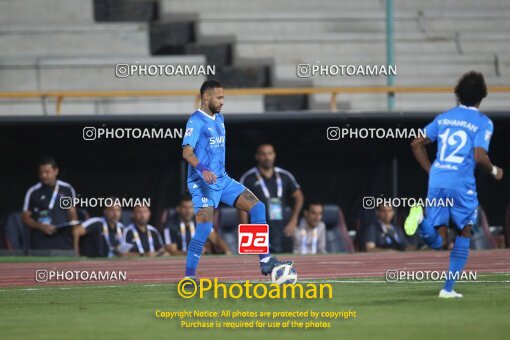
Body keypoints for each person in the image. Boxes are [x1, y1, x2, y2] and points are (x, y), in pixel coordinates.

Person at [181, 79, 292, 280]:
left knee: (258, 207)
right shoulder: (195, 121)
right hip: (202, 185)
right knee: (205, 228)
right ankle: (189, 278)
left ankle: (265, 261)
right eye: (219, 97)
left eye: (224, 97)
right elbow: (187, 152)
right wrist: (203, 169)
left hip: (222, 180)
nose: (223, 102)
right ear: (206, 97)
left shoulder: (220, 119)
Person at [405, 71, 503, 298]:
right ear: (482, 96)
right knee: (464, 230)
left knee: (438, 240)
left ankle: (420, 220)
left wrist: (433, 171)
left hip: (438, 179)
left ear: (458, 95)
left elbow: (415, 143)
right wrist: (495, 171)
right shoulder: (483, 122)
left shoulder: (444, 118)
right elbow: (479, 157)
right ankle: (447, 288)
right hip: (461, 182)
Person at [239, 143, 304, 253]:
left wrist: (294, 220)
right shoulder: (249, 178)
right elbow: (242, 207)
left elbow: (299, 196)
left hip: (283, 229)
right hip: (259, 229)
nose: (267, 157)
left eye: (269, 153)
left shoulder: (284, 175)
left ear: (274, 155)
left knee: (287, 263)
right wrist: (246, 230)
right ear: (257, 157)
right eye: (263, 154)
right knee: (259, 265)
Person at [21, 157, 78, 250]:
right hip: (40, 242)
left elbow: (72, 213)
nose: (44, 175)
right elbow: (25, 217)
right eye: (41, 172)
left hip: (64, 241)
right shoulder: (33, 191)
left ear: (56, 171)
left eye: (47, 172)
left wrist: (75, 240)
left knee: (66, 264)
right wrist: (42, 227)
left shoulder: (67, 189)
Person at [163, 195, 231, 255]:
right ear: (178, 209)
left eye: (190, 207)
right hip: (180, 262)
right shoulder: (170, 227)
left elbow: (215, 238)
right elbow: (172, 252)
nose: (188, 211)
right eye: (184, 207)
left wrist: (227, 251)